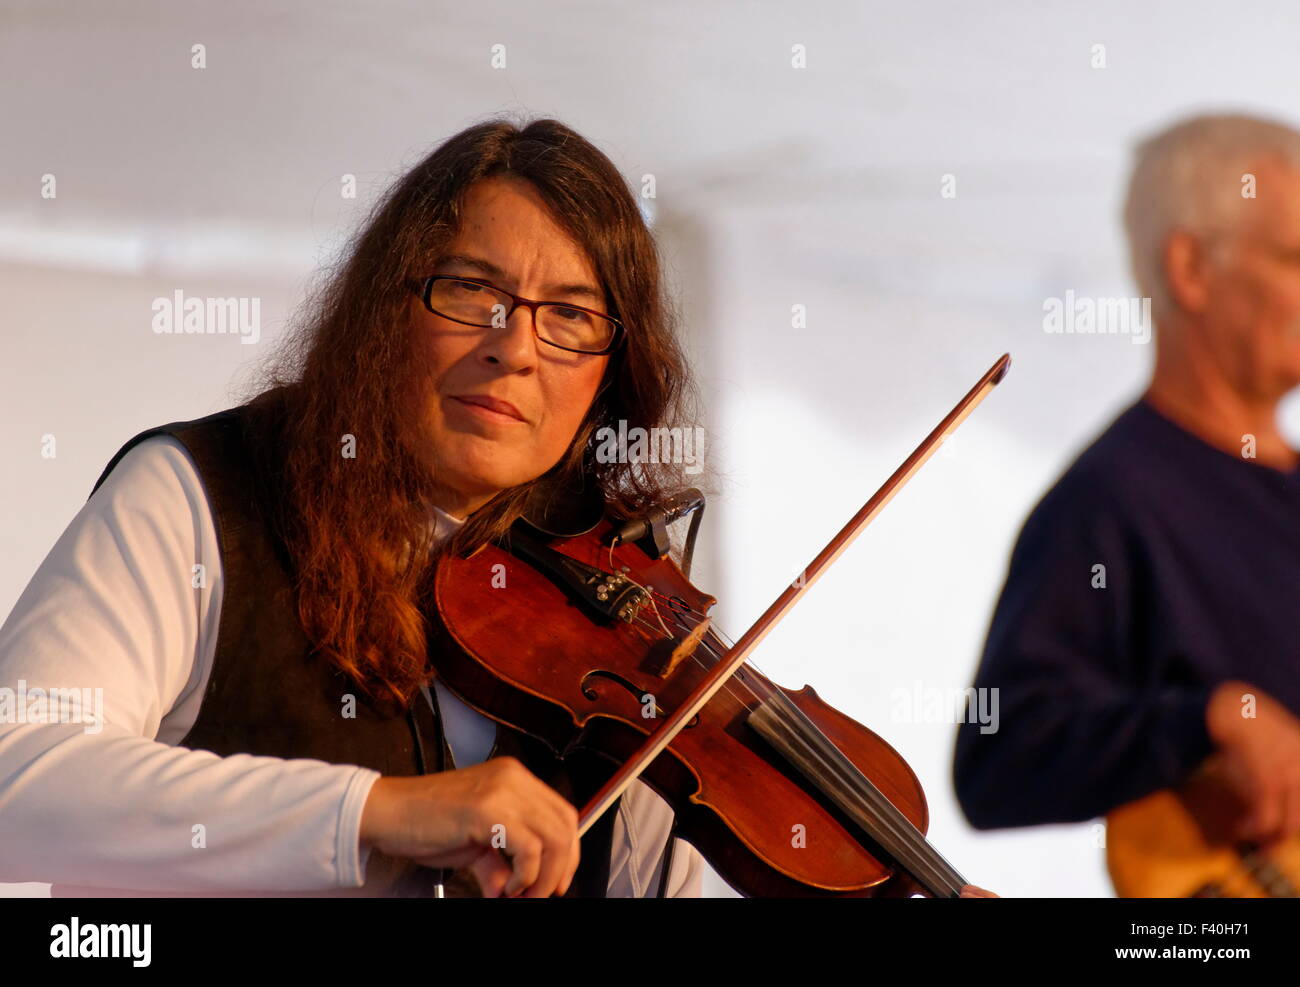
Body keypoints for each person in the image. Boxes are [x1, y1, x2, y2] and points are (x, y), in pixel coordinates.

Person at [0, 117, 706, 898]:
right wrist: (372, 812)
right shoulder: (198, 495)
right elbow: (16, 780)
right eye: (473, 289)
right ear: (386, 309)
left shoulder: (625, 621)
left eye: (571, 314)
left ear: (610, 373)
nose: (517, 346)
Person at [954, 114, 1300, 856]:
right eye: (1294, 257)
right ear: (1191, 268)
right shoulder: (1108, 500)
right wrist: (1214, 717)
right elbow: (998, 755)